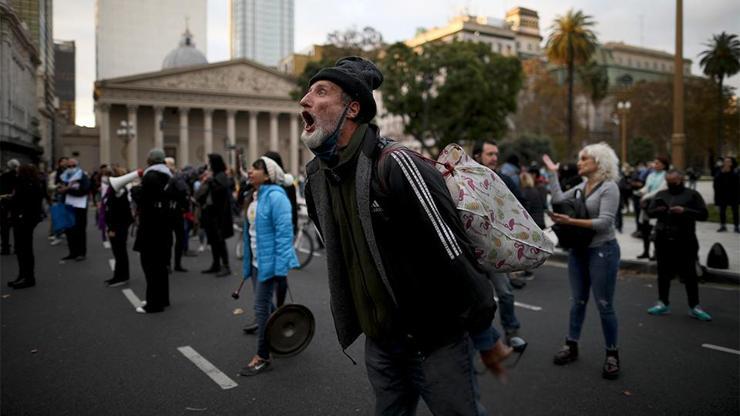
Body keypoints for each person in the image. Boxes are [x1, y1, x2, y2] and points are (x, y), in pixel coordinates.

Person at [301, 56, 507, 414]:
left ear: (352, 109)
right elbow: (344, 258)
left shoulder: (397, 164)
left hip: (434, 343)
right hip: (381, 346)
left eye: (320, 92)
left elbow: (453, 250)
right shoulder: (317, 180)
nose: (304, 100)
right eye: (307, 92)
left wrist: (483, 332)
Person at [542, 142, 622, 380]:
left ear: (600, 163)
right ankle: (571, 345)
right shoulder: (582, 186)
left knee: (604, 304)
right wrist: (552, 172)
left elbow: (605, 222)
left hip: (603, 251)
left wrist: (570, 222)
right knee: (577, 301)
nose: (579, 162)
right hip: (578, 250)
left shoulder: (609, 188)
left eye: (584, 158)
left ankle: (612, 354)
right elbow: (557, 198)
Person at [238, 157, 300, 376]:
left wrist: (280, 267)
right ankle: (288, 330)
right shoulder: (254, 196)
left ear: (268, 175)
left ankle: (263, 356)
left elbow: (285, 235)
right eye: (251, 167)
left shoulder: (277, 197)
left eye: (256, 168)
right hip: (256, 263)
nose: (250, 170)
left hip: (269, 264)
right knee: (267, 307)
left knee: (261, 309)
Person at [472, 140, 525, 333]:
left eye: (496, 154)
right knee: (478, 298)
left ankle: (511, 329)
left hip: (495, 248)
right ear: (477, 156)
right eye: (490, 154)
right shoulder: (464, 180)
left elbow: (522, 206)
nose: (495, 158)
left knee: (505, 293)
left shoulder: (504, 179)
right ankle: (482, 337)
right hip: (471, 250)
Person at [646, 170, 712, 321]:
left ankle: (694, 306)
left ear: (680, 179)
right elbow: (650, 212)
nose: (670, 184)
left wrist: (685, 211)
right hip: (663, 238)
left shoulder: (692, 194)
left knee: (690, 274)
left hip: (685, 239)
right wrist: (659, 210)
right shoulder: (661, 194)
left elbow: (704, 215)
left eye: (673, 181)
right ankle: (662, 303)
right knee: (663, 273)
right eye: (668, 181)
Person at [131, 149, 173, 314]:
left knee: (150, 265)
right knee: (161, 265)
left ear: (150, 161)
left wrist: (134, 190)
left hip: (151, 227)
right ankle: (163, 298)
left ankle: (153, 304)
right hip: (163, 227)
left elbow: (144, 199)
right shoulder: (168, 176)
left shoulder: (150, 177)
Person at [6, 164, 43, 289]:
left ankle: (28, 277)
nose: (16, 173)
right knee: (22, 249)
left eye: (19, 171)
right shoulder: (32, 183)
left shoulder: (27, 184)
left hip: (24, 220)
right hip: (25, 219)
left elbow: (20, 201)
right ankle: (23, 275)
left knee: (24, 249)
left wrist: (8, 200)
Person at [197, 154, 234, 277]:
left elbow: (221, 189)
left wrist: (210, 181)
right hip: (211, 212)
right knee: (213, 240)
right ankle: (216, 263)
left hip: (219, 214)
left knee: (219, 240)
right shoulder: (216, 175)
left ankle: (226, 265)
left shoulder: (221, 176)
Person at [103, 166, 134, 287]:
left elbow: (115, 212)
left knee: (119, 251)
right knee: (118, 251)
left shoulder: (118, 191)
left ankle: (122, 276)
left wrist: (111, 228)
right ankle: (119, 275)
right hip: (119, 224)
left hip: (118, 225)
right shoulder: (118, 190)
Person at [635, 157, 668, 259]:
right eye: (654, 163)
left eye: (657, 163)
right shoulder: (651, 175)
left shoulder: (666, 176)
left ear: (664, 165)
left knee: (656, 230)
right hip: (647, 205)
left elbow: (660, 190)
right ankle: (646, 251)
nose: (655, 165)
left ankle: (656, 252)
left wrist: (645, 196)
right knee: (645, 229)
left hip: (658, 205)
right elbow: (647, 187)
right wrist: (641, 191)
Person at [58, 159, 90, 262]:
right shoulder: (65, 176)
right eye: (69, 166)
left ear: (77, 166)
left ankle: (81, 253)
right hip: (67, 206)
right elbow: (60, 188)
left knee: (79, 230)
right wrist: (60, 190)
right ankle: (72, 252)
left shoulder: (83, 176)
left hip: (79, 207)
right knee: (69, 230)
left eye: (73, 166)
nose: (71, 168)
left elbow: (84, 191)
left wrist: (68, 190)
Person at [165, 157, 190, 272]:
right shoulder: (166, 177)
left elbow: (183, 191)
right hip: (170, 210)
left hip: (175, 210)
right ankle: (169, 263)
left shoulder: (176, 177)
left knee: (178, 238)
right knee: (168, 239)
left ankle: (176, 264)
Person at [713, 157, 739, 233]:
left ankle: (736, 226)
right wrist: (722, 173)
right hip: (722, 195)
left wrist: (731, 173)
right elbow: (716, 183)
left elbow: (737, 183)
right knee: (722, 211)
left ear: (731, 163)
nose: (727, 163)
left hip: (733, 195)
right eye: (725, 161)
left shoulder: (735, 171)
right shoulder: (719, 171)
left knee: (735, 211)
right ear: (724, 163)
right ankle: (723, 226)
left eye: (729, 161)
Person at [47, 157, 69, 245]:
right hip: (57, 196)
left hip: (68, 197)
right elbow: (50, 186)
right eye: (63, 162)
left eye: (66, 162)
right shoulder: (54, 174)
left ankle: (62, 232)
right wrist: (57, 186)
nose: (65, 163)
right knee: (56, 217)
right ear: (59, 163)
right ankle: (55, 235)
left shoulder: (70, 173)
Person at [0, 159, 19, 255]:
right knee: (17, 226)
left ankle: (5, 248)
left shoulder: (4, 176)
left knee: (4, 227)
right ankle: (17, 247)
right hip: (17, 204)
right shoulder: (19, 177)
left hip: (4, 203)